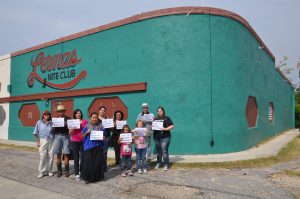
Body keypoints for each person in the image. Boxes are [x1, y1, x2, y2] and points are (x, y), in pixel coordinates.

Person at [81, 112, 106, 183]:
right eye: (93, 117)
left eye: (95, 117)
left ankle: (97, 178)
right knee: (89, 163)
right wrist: (87, 132)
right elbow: (82, 136)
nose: (94, 119)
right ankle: (88, 178)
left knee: (97, 163)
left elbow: (104, 137)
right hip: (89, 146)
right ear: (90, 118)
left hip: (98, 146)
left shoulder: (101, 126)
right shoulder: (86, 126)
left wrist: (102, 137)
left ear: (97, 118)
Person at [33, 110, 54, 178]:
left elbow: (55, 132)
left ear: (49, 116)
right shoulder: (39, 122)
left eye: (48, 115)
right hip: (43, 140)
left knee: (51, 156)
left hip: (51, 140)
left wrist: (54, 128)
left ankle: (49, 171)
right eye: (45, 115)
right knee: (42, 156)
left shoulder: (52, 123)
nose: (46, 116)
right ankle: (42, 172)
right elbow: (35, 133)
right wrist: (37, 142)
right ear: (43, 115)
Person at [52, 105, 71, 177]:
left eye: (62, 111)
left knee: (66, 154)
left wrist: (67, 124)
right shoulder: (55, 120)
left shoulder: (68, 119)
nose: (61, 112)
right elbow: (53, 130)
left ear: (64, 111)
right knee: (58, 154)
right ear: (58, 112)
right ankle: (59, 170)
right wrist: (53, 127)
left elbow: (72, 129)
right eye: (59, 111)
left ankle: (67, 170)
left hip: (66, 136)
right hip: (57, 136)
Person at [153, 106, 174, 171]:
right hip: (156, 137)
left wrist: (165, 129)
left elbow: (172, 125)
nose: (159, 112)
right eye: (158, 111)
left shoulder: (167, 118)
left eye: (160, 111)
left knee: (164, 151)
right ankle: (158, 163)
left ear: (163, 111)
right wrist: (152, 126)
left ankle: (166, 164)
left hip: (165, 137)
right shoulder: (155, 119)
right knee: (158, 152)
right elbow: (153, 127)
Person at [69, 109, 88, 181]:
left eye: (79, 113)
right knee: (76, 158)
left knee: (83, 157)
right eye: (77, 113)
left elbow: (87, 130)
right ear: (75, 114)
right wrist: (72, 129)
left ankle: (82, 172)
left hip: (83, 141)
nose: (78, 114)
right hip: (74, 141)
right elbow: (70, 133)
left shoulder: (85, 121)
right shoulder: (72, 122)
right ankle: (76, 173)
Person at [98, 106, 110, 172]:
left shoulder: (107, 119)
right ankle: (98, 166)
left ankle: (104, 167)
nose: (103, 111)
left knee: (105, 153)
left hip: (106, 137)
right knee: (98, 152)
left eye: (104, 110)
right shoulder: (96, 118)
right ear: (99, 111)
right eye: (101, 110)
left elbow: (110, 129)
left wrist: (112, 125)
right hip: (98, 137)